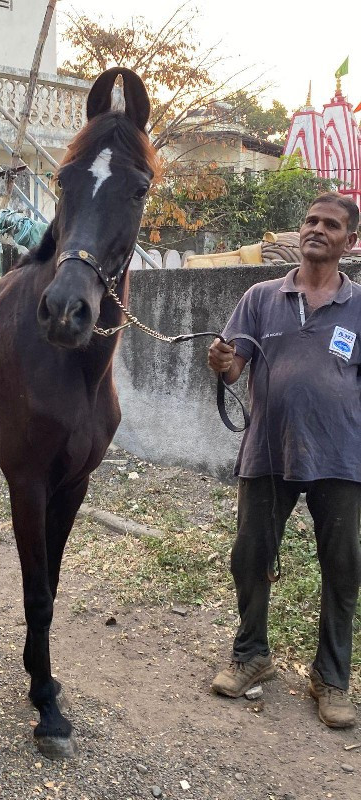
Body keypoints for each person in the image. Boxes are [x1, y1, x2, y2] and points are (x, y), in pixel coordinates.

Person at [208, 192, 360, 729]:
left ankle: (331, 678)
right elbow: (232, 368)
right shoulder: (260, 297)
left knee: (344, 568)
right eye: (310, 220)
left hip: (342, 457)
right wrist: (223, 362)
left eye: (331, 224)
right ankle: (252, 657)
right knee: (249, 556)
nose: (317, 229)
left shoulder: (360, 307)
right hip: (268, 450)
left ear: (350, 241)